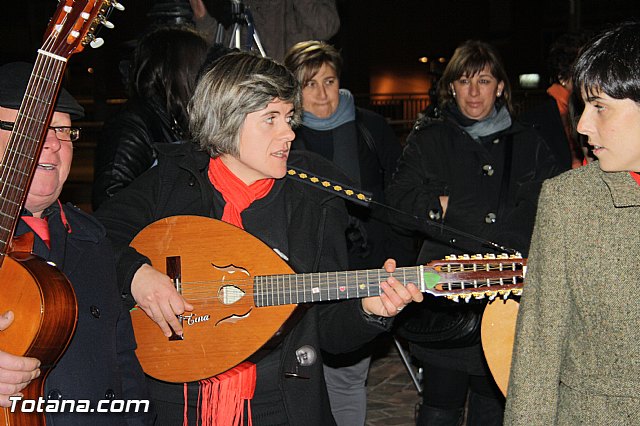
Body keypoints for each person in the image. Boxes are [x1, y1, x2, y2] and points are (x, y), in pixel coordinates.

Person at [93, 51, 423, 426]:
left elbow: (327, 331)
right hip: (176, 405)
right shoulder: (172, 183)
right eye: (271, 119)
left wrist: (369, 312)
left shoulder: (314, 203)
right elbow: (98, 238)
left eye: (288, 118)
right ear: (227, 120)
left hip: (277, 407)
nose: (289, 133)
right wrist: (138, 274)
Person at [386, 40, 562, 425]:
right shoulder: (430, 138)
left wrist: (452, 208)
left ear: (500, 86)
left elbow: (547, 210)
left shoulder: (528, 143)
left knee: (493, 404)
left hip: (505, 294)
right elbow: (397, 205)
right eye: (464, 81)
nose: (474, 91)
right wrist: (452, 207)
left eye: (483, 80)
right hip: (445, 295)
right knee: (440, 404)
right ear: (451, 88)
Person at [0, 62, 152, 424]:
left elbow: (124, 365)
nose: (52, 143)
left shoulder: (92, 238)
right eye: (32, 127)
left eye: (63, 131)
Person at [504, 21, 640, 425]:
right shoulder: (570, 202)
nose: (581, 126)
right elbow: (538, 354)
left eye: (600, 107)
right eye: (582, 106)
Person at [283, 40, 415, 425]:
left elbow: (396, 202)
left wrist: (393, 259)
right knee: (302, 376)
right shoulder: (283, 137)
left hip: (361, 270)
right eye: (309, 84)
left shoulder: (370, 128)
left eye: (329, 80)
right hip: (303, 274)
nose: (322, 93)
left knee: (346, 379)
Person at [92, 26, 209, 210]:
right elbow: (110, 199)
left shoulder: (177, 118)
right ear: (180, 71)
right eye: (200, 65)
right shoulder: (132, 123)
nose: (206, 76)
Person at [520, 31, 591, 170]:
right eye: (582, 69)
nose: (589, 74)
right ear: (563, 77)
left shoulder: (595, 110)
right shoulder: (534, 122)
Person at [188, 0, 340, 61]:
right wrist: (201, 16)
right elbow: (228, 49)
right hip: (262, 95)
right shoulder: (247, 5)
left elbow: (327, 26)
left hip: (304, 96)